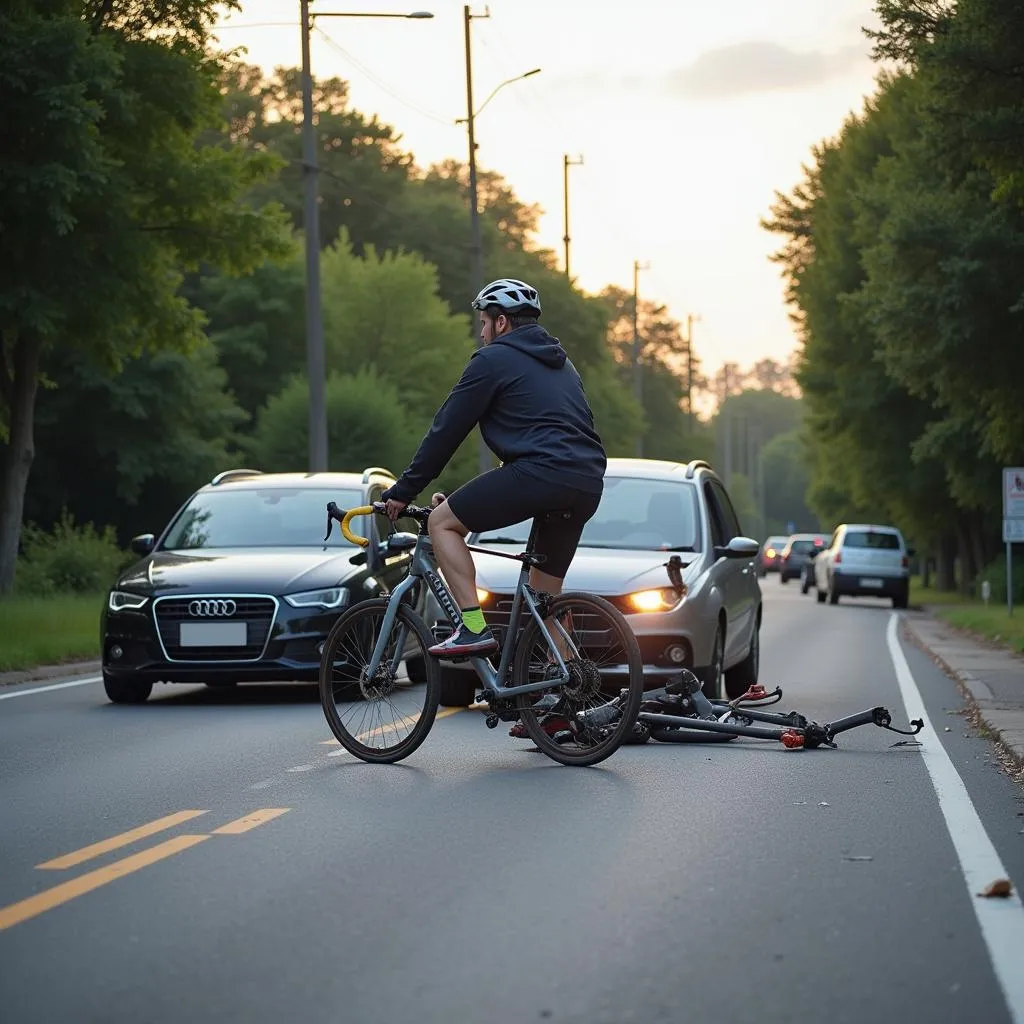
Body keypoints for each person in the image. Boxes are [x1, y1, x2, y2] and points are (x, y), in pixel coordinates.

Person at [381, 277, 607, 658]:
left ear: (501, 322)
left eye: (484, 323)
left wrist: (404, 490)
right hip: (586, 480)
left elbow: (446, 430)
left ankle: (472, 629)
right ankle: (567, 700)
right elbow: (550, 433)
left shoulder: (493, 359)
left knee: (442, 523)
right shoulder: (563, 365)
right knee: (545, 600)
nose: (482, 333)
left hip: (541, 473)